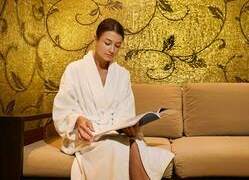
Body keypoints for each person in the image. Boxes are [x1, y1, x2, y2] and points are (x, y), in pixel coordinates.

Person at [52, 18, 174, 180]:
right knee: (116, 147)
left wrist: (129, 127)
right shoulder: (75, 70)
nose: (112, 50)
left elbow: (126, 112)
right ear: (95, 39)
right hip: (87, 136)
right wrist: (78, 119)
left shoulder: (122, 75)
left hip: (115, 133)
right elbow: (63, 109)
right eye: (107, 43)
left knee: (133, 145)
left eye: (117, 46)